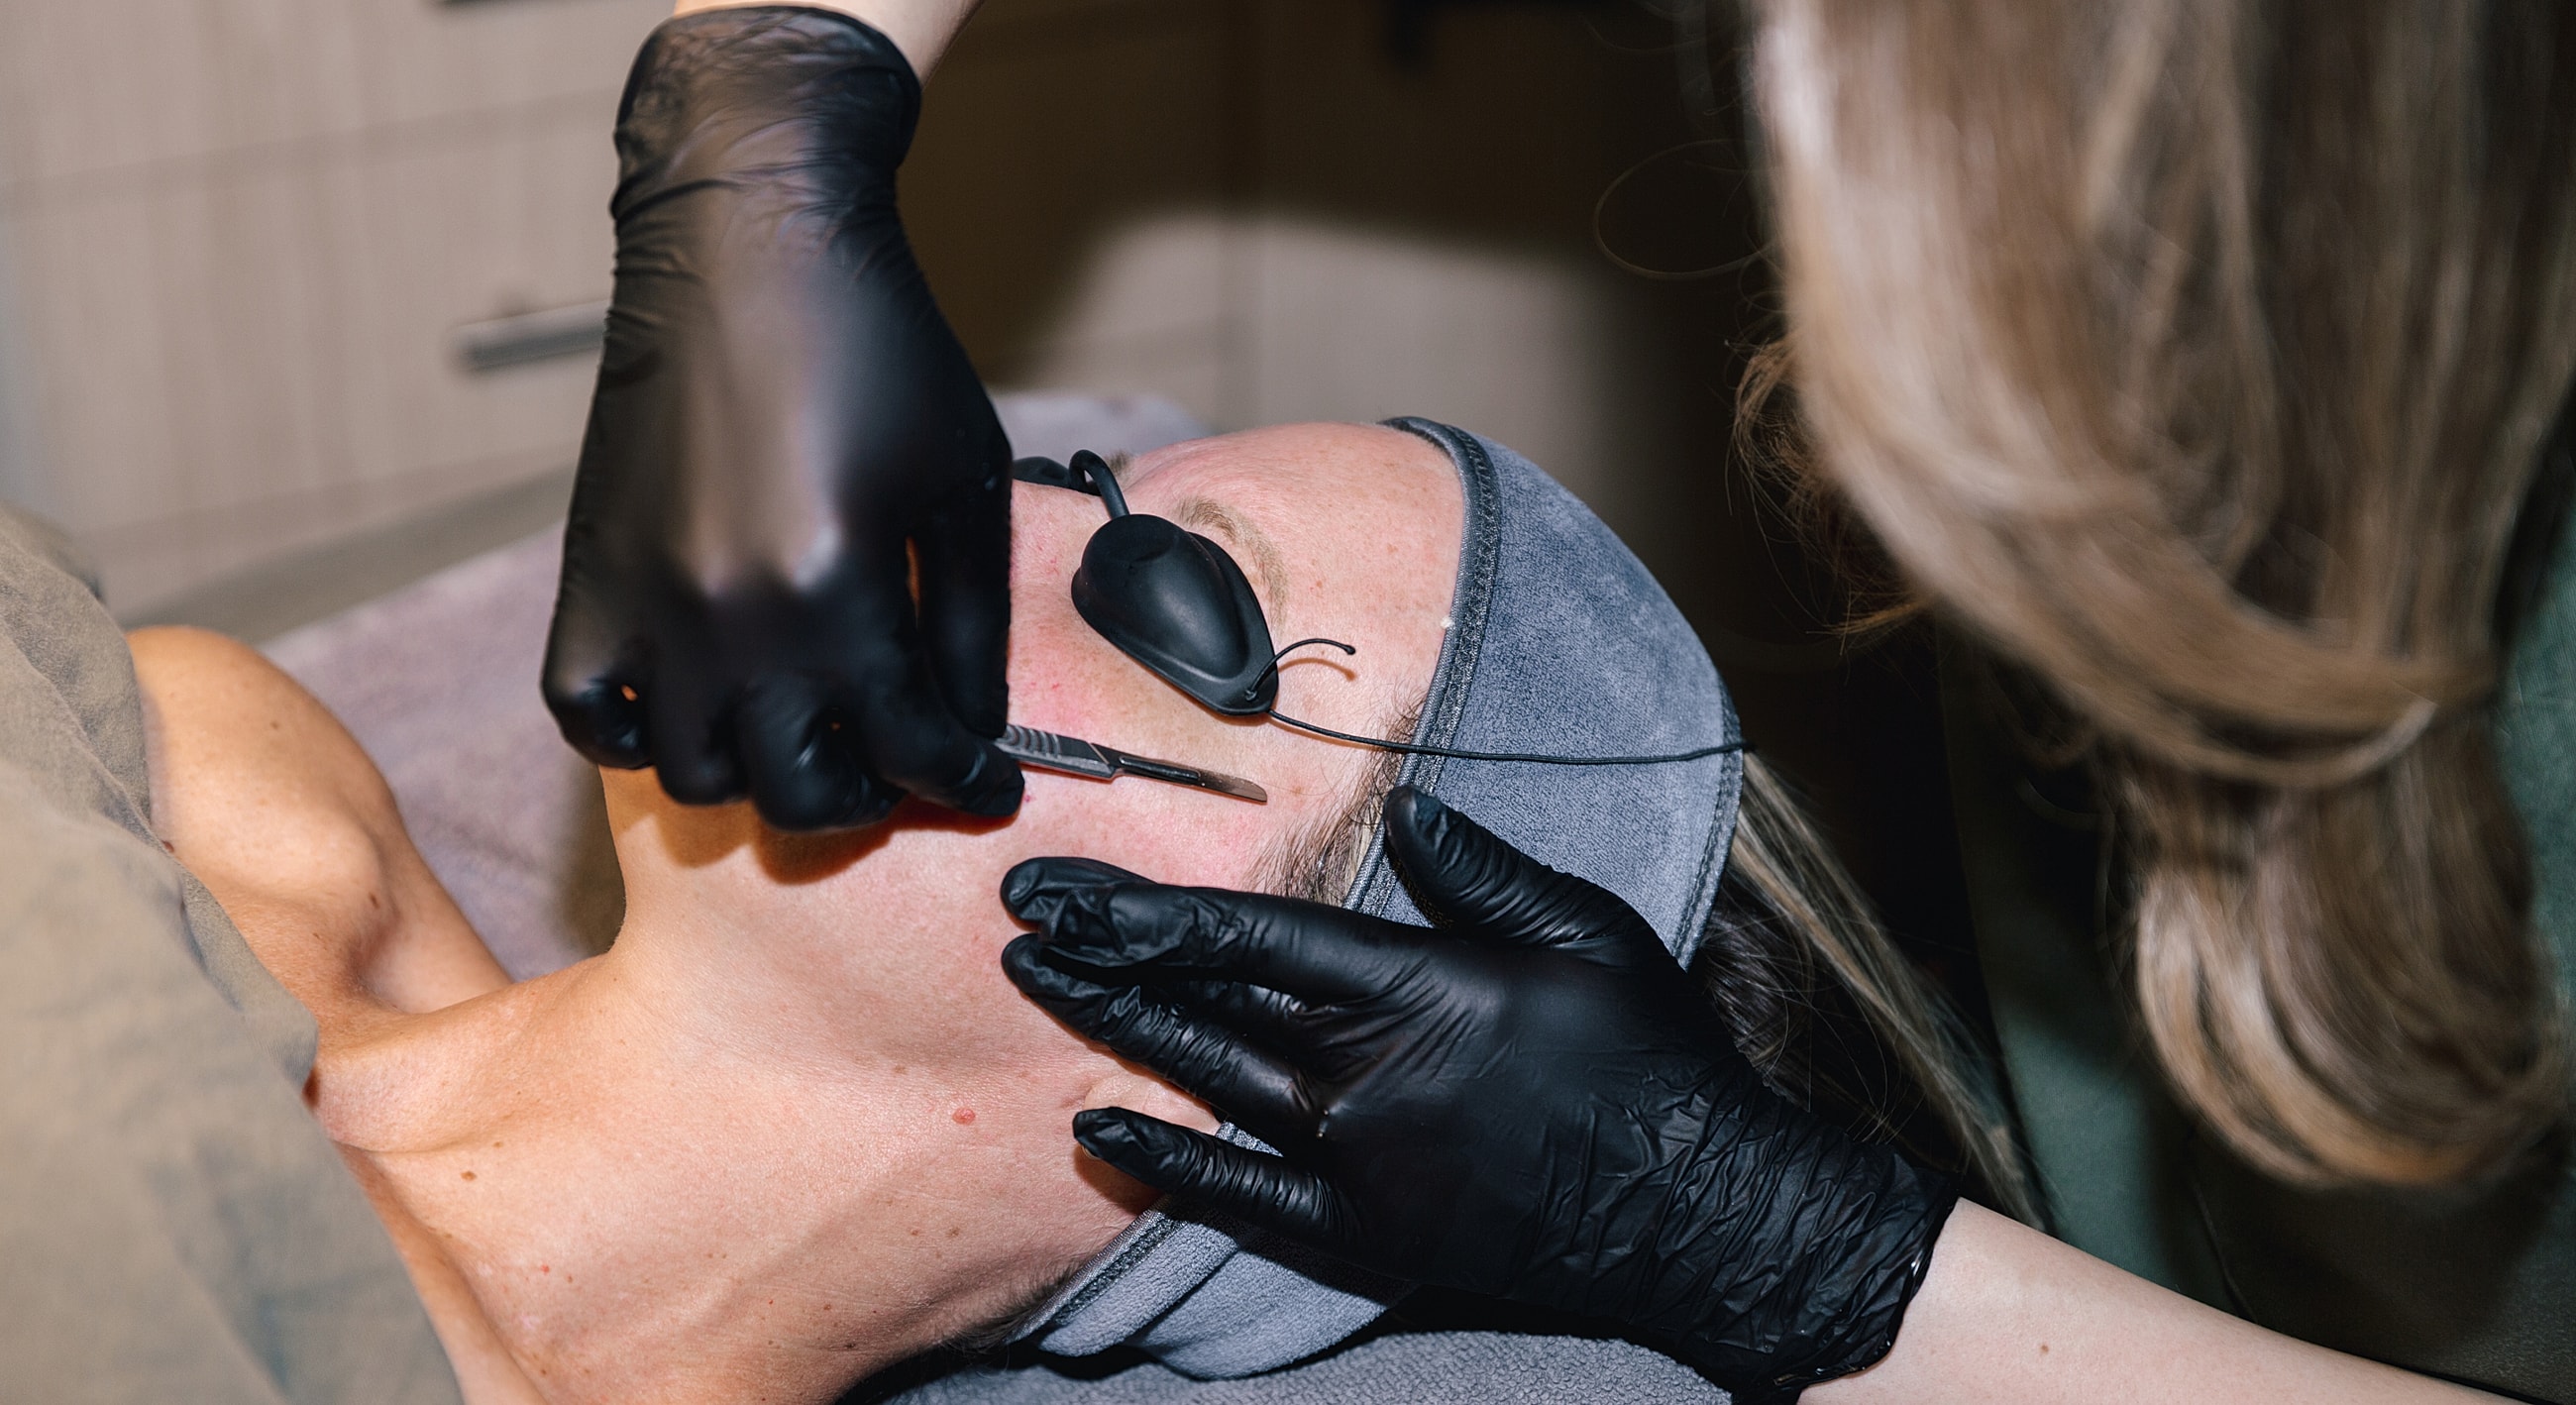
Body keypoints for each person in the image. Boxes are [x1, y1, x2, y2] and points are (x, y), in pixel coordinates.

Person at [546, 0, 2573, 1401]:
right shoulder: (248, 797)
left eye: (1197, 598)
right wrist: (776, 95)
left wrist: (1820, 1269)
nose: (971, 507)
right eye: (1093, 492)